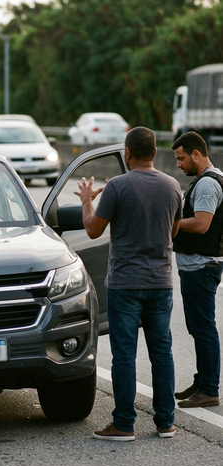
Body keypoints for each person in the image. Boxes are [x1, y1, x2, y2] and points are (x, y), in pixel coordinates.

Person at [75, 127, 182, 441]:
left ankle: (124, 424)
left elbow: (93, 231)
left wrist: (86, 201)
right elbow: (173, 232)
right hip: (161, 282)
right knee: (162, 353)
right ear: (154, 153)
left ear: (127, 153)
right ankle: (166, 422)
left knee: (124, 355)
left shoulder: (118, 186)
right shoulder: (173, 185)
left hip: (125, 283)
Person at [172, 132, 223, 408]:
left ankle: (209, 389)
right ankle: (202, 381)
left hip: (202, 267)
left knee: (203, 328)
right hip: (196, 266)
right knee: (197, 327)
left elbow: (202, 224)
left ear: (196, 154)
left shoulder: (207, 185)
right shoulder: (204, 181)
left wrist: (172, 223)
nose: (179, 164)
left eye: (181, 158)